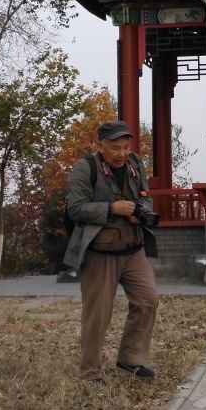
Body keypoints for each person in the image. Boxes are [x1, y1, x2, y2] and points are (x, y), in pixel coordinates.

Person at [64, 120, 160, 383]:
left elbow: (145, 194)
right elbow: (75, 208)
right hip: (100, 252)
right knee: (98, 314)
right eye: (115, 147)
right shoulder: (87, 168)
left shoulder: (134, 163)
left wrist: (142, 212)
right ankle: (90, 372)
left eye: (126, 147)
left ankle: (130, 361)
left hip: (133, 249)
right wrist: (111, 209)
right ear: (101, 145)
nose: (121, 153)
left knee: (148, 300)